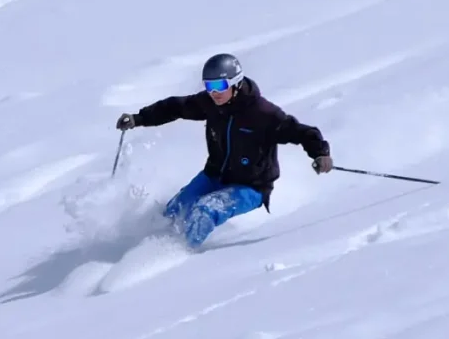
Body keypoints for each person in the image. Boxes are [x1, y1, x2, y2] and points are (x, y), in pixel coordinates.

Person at [115, 52, 333, 248]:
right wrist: (138, 118)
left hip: (251, 187)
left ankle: (173, 255)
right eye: (209, 86)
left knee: (205, 209)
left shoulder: (263, 114)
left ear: (235, 83)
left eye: (219, 86)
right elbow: (176, 107)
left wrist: (320, 153)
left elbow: (301, 132)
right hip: (214, 175)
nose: (214, 93)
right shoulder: (210, 103)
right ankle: (144, 247)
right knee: (175, 209)